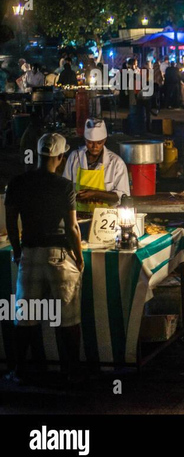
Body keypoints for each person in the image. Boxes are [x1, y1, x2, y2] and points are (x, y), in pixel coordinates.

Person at [4, 133, 85, 384]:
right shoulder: (64, 186)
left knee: (25, 317)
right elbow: (72, 228)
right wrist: (79, 258)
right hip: (58, 256)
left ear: (39, 155)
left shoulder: (17, 182)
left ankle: (18, 371)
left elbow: (10, 222)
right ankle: (71, 372)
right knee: (68, 318)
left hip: (29, 254)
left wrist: (18, 251)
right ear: (60, 158)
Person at [62, 118, 130, 212]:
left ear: (105, 140)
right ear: (85, 140)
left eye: (99, 142)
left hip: (106, 217)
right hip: (77, 216)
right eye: (90, 142)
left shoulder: (116, 163)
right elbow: (65, 188)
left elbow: (122, 197)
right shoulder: (74, 157)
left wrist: (95, 194)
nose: (94, 147)